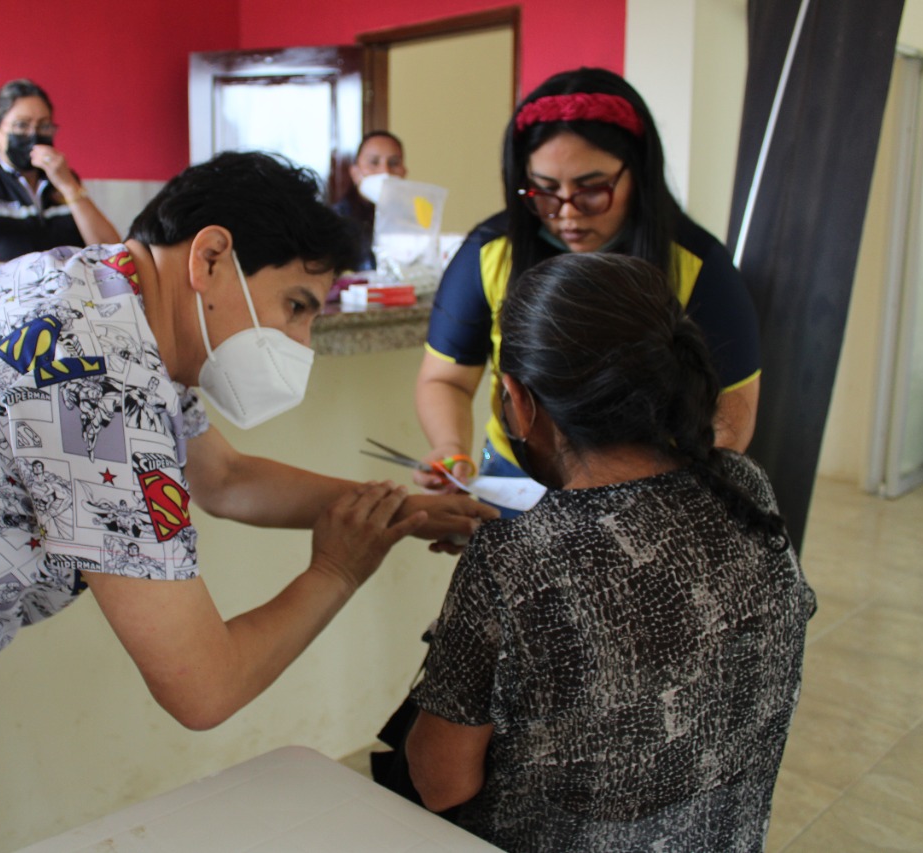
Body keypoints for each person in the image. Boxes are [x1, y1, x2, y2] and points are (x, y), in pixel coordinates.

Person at [0, 151, 494, 848]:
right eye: (295, 306)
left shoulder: (96, 295)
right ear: (211, 258)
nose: (299, 342)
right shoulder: (98, 378)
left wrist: (403, 509)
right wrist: (338, 569)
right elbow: (204, 686)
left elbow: (225, 479)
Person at [401, 253, 815, 852]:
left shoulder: (512, 558)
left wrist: (470, 622)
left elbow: (439, 782)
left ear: (519, 400)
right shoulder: (744, 485)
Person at [415, 68, 761, 510]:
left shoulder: (697, 265)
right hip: (517, 480)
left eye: (591, 190)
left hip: (657, 489)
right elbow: (445, 379)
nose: (567, 214)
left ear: (637, 173)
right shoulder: (490, 254)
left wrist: (677, 497)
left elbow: (733, 410)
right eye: (544, 191)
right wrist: (450, 446)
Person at [0, 78, 121, 261]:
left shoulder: (64, 180)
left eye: (44, 126)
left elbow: (112, 254)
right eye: (21, 125)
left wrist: (69, 186)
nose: (33, 135)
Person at [332, 131, 407, 271]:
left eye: (393, 163)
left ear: (404, 172)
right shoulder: (336, 221)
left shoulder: (411, 219)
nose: (385, 171)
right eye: (374, 162)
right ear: (355, 172)